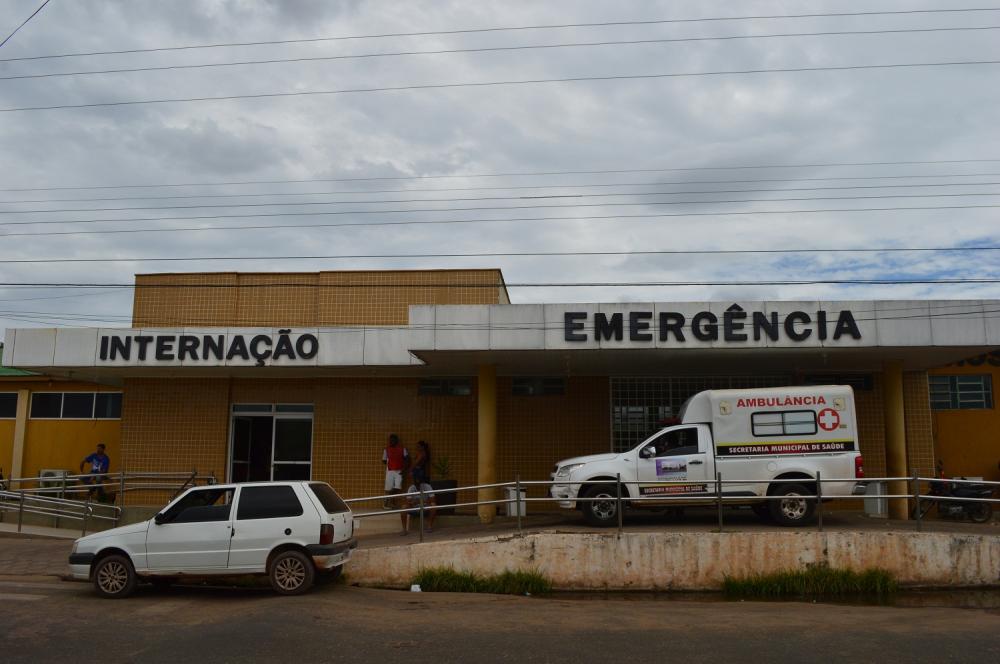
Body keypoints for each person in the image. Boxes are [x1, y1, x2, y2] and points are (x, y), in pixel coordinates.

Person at [400, 471, 436, 536]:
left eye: (419, 484)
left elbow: (432, 500)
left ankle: (429, 526)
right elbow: (408, 501)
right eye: (417, 484)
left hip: (425, 507)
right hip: (414, 508)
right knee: (403, 507)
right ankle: (404, 530)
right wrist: (413, 502)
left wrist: (418, 501)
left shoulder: (428, 487)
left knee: (433, 505)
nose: (418, 486)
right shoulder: (411, 488)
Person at [382, 433, 408, 508]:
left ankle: (386, 500)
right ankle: (392, 504)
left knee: (397, 487)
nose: (391, 442)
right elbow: (383, 460)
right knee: (389, 487)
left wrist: (404, 468)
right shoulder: (386, 449)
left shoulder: (402, 449)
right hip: (390, 471)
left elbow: (407, 459)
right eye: (390, 440)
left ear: (396, 441)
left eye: (393, 440)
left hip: (399, 471)